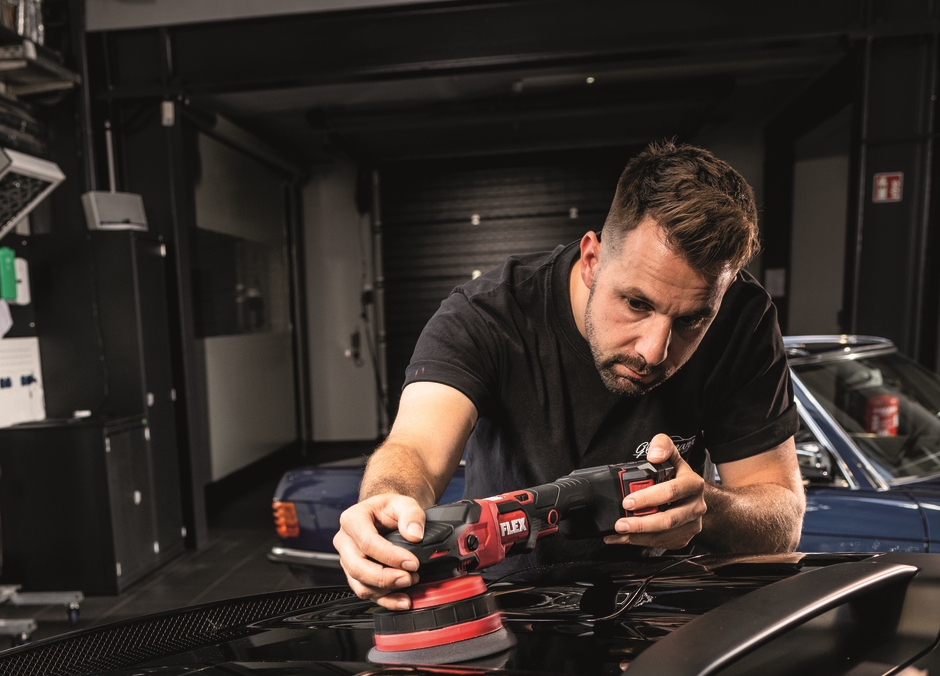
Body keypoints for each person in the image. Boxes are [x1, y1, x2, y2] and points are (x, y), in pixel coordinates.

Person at [336, 141, 804, 608]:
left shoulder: (742, 318)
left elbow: (783, 523)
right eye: (636, 303)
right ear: (592, 261)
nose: (654, 351)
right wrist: (388, 503)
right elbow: (414, 449)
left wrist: (708, 509)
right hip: (511, 611)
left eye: (692, 320)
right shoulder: (487, 315)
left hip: (665, 612)